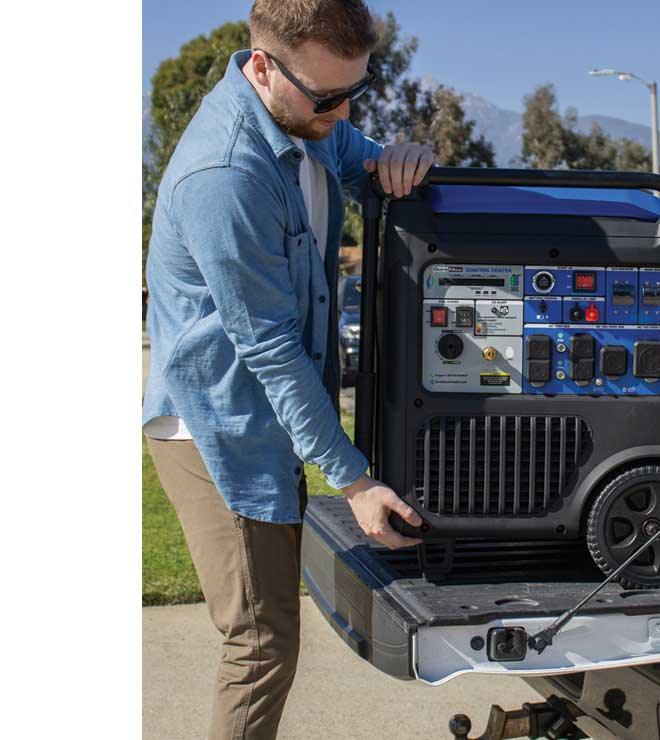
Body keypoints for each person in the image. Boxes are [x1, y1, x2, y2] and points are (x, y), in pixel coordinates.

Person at [142, 2, 434, 737]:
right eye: (327, 97)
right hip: (220, 429)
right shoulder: (225, 174)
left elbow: (365, 161)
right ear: (262, 67)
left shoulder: (309, 122)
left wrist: (399, 159)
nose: (343, 114)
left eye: (355, 92)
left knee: (266, 637)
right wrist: (355, 483)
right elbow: (269, 348)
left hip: (267, 415)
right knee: (260, 642)